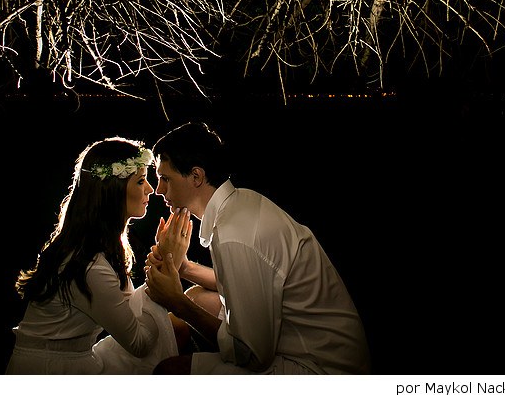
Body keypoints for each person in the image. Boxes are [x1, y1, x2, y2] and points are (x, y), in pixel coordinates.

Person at [144, 122, 371, 375]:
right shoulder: (239, 202)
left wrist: (176, 302)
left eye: (165, 179)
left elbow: (250, 354)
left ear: (196, 176)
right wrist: (184, 268)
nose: (158, 190)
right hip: (329, 346)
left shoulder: (234, 234)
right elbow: (243, 283)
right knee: (198, 296)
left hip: (323, 366)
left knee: (168, 371)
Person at [6, 137, 182, 374]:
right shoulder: (89, 265)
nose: (150, 189)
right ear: (112, 190)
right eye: (141, 181)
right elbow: (139, 343)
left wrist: (162, 260)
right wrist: (164, 274)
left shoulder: (97, 248)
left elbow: (129, 310)